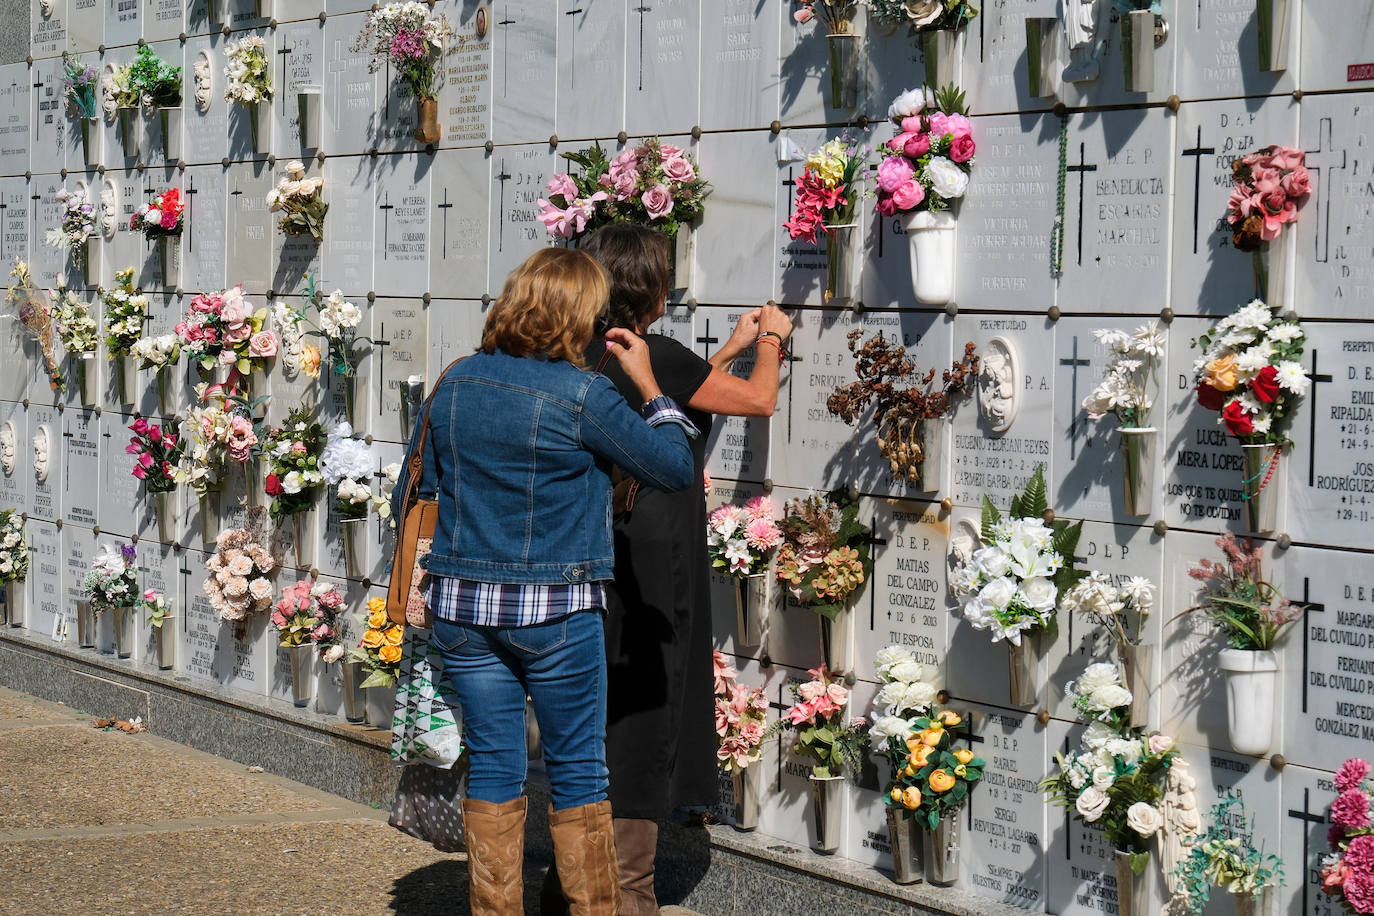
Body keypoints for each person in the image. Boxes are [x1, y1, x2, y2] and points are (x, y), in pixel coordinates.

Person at [393, 247, 698, 916]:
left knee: (497, 770)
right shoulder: (584, 394)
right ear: (578, 317)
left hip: (464, 614)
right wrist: (650, 387)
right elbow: (674, 467)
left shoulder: (457, 382)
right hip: (555, 613)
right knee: (580, 775)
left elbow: (411, 496)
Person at [543, 224, 794, 915]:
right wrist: (770, 341)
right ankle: (625, 895)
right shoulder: (653, 353)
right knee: (644, 718)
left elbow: (664, 401)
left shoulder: (581, 352)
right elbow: (755, 401)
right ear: (649, 291)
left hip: (588, 556)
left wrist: (731, 351)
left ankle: (569, 887)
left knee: (593, 718)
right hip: (653, 563)